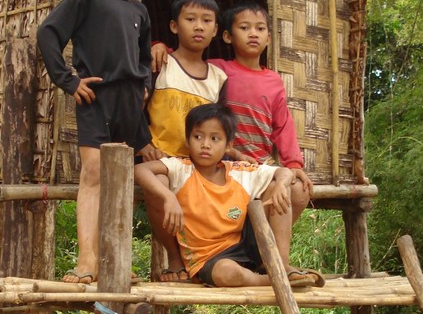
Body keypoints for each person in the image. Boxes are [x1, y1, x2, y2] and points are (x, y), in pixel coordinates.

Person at [37, 0, 152, 284]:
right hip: (96, 96)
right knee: (92, 174)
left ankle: (115, 260)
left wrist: (145, 82)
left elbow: (145, 56)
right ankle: (87, 260)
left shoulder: (139, 10)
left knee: (122, 180)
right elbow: (48, 34)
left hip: (130, 102)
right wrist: (68, 80)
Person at [152, 1, 312, 221]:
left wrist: (293, 164)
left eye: (260, 28)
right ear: (227, 36)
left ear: (269, 38)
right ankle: (249, 244)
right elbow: (185, 62)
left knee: (299, 191)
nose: (253, 34)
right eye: (244, 28)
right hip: (225, 160)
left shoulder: (274, 81)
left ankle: (264, 248)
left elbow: (283, 125)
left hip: (260, 161)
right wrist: (159, 46)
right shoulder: (218, 69)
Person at [134, 103, 323, 288]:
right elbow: (140, 170)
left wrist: (281, 184)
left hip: (248, 245)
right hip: (209, 259)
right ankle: (271, 280)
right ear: (187, 140)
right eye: (198, 137)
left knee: (283, 187)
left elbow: (282, 172)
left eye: (215, 139)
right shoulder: (181, 169)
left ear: (228, 146)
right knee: (227, 272)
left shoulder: (238, 171)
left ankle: (280, 265)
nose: (205, 145)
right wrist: (168, 197)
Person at [145, 0, 227, 158]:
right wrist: (144, 145)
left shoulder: (218, 78)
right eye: (190, 19)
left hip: (199, 165)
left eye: (207, 20)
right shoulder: (161, 63)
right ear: (174, 26)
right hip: (159, 158)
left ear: (215, 30)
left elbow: (219, 126)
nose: (199, 26)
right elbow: (137, 107)